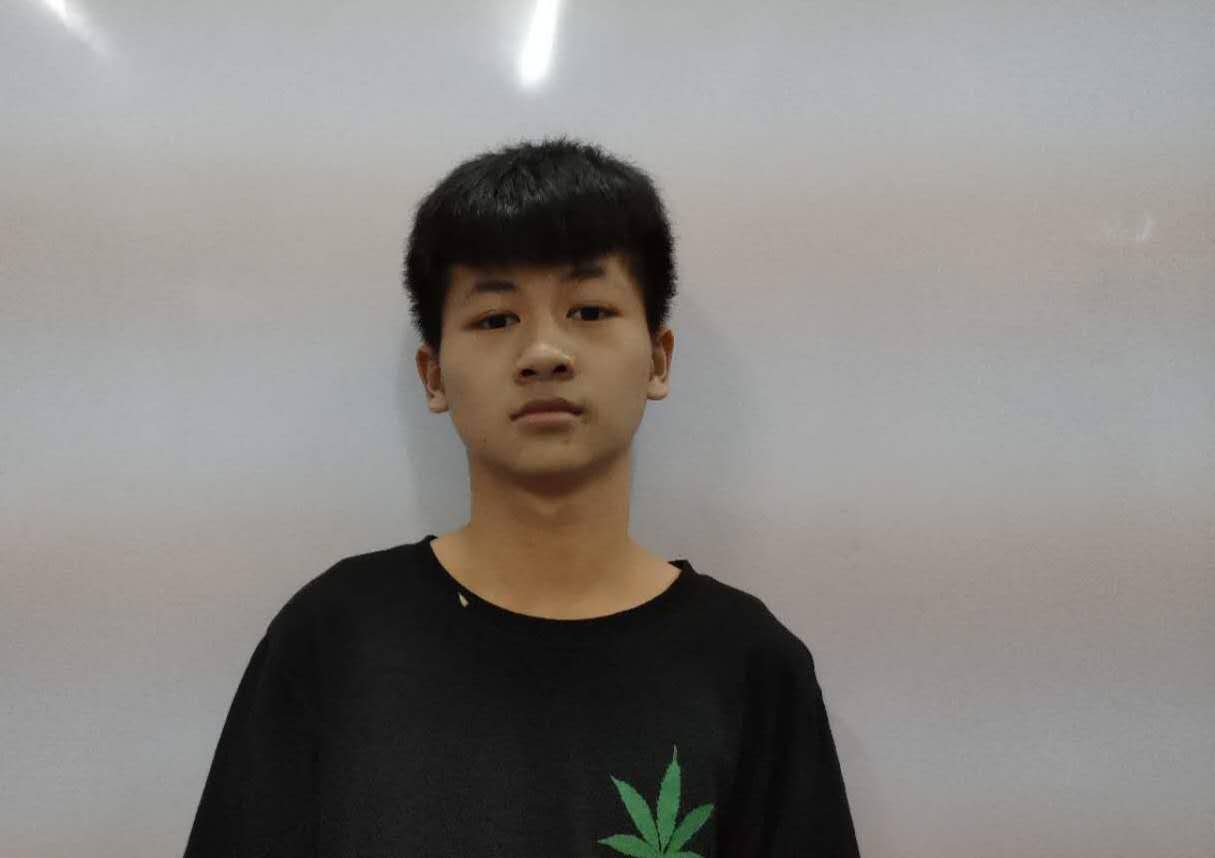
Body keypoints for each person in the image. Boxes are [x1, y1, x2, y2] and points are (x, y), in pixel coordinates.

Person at [183, 136, 861, 856]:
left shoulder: (748, 664)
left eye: (589, 311)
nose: (544, 353)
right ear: (434, 375)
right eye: (495, 319)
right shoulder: (335, 639)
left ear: (658, 360)